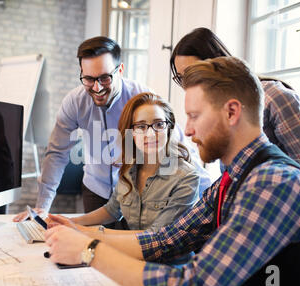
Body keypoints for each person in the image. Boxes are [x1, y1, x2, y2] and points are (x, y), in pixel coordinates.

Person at [43, 57, 300, 286]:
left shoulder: (274, 183)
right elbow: (167, 238)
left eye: (194, 116)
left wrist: (90, 250)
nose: (188, 130)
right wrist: (78, 234)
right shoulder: (232, 180)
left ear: (231, 112)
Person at [14, 36, 209, 221]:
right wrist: (43, 207)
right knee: (94, 246)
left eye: (105, 78)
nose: (97, 88)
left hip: (135, 191)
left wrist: (209, 195)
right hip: (95, 189)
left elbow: (178, 145)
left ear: (120, 70)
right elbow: (57, 154)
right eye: (89, 79)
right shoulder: (74, 102)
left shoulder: (142, 98)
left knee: (129, 244)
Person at [170, 27, 300, 201]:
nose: (187, 85)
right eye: (181, 78)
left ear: (215, 63)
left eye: (190, 73)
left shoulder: (274, 98)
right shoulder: (218, 109)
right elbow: (231, 179)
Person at [45, 92, 206, 243]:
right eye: (141, 127)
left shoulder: (186, 177)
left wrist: (82, 231)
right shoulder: (130, 168)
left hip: (167, 266)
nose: (150, 134)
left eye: (158, 124)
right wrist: (70, 221)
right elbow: (113, 209)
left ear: (169, 128)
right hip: (133, 256)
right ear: (131, 133)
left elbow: (156, 237)